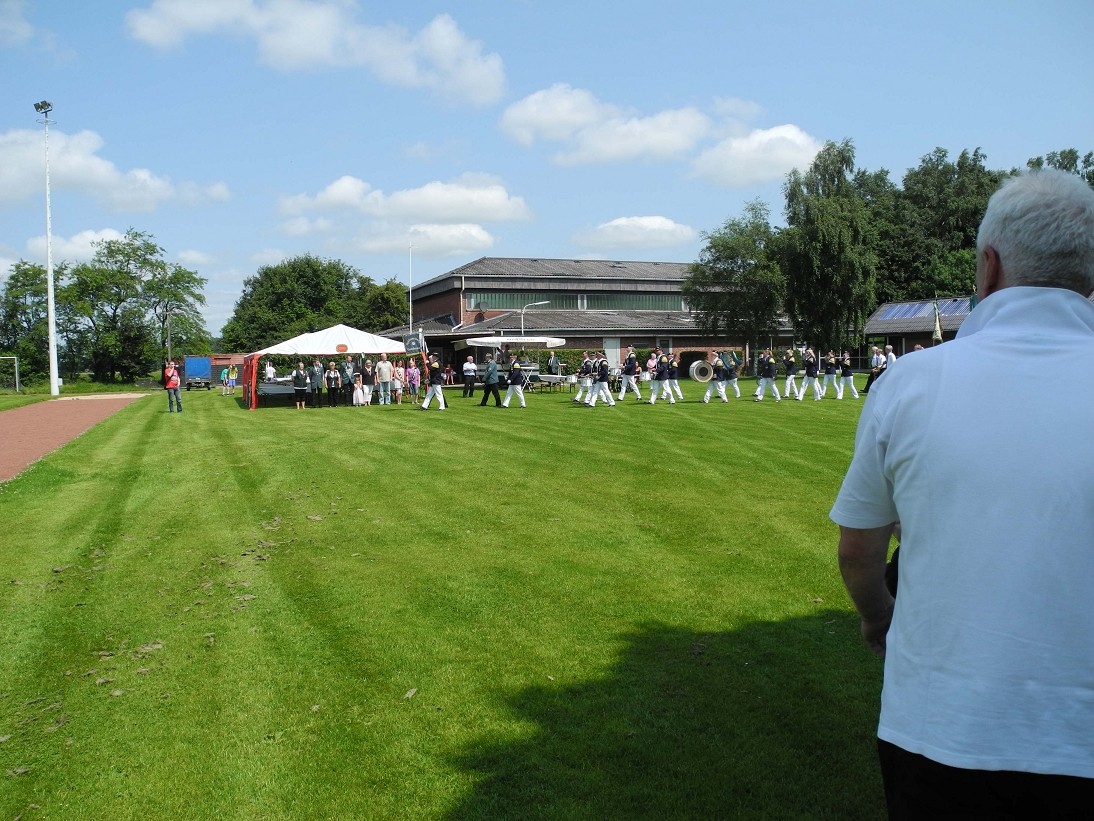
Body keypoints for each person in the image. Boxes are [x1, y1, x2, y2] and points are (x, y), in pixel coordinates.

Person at [831, 169, 1094, 817]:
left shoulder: (910, 381)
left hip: (944, 730)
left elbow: (859, 551)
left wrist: (878, 616)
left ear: (988, 265)